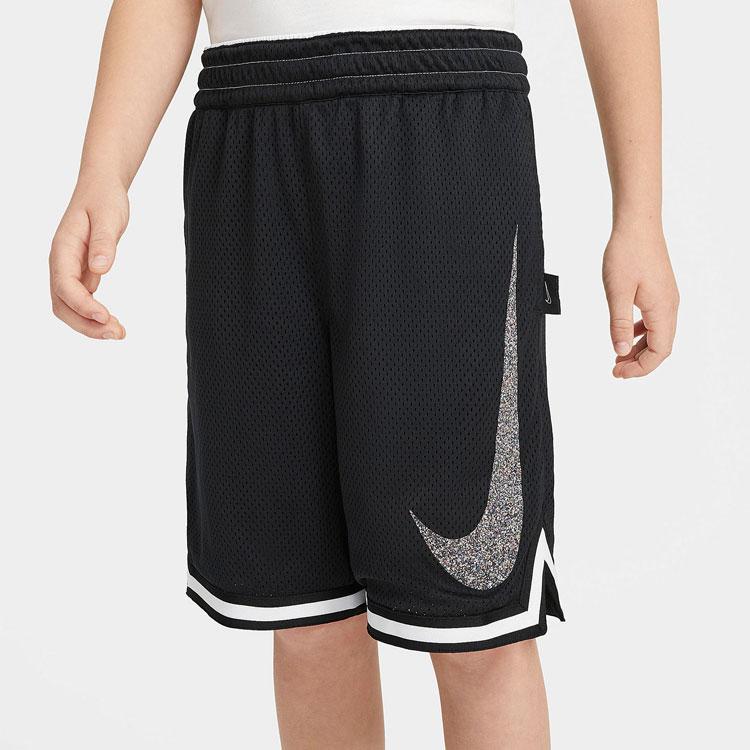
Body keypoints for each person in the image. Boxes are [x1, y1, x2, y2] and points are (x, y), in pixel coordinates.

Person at [48, 1, 679, 747]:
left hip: (443, 127)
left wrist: (640, 214)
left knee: (475, 623)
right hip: (247, 136)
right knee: (304, 616)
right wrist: (103, 169)